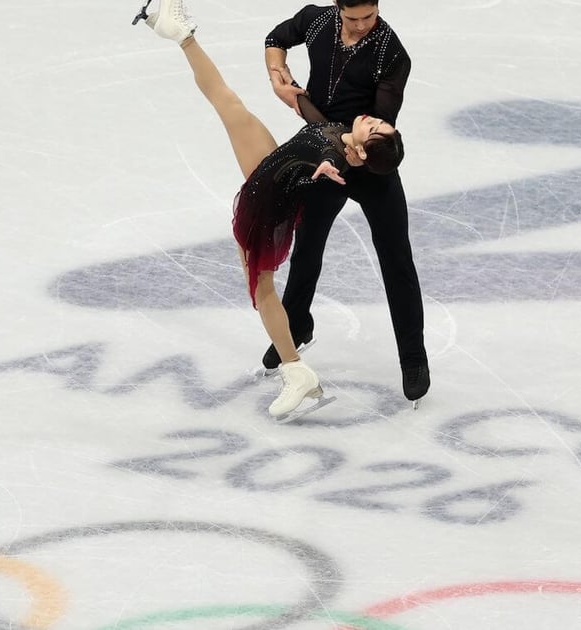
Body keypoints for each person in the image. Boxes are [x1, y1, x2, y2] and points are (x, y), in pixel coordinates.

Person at [131, 0, 405, 419]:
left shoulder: (338, 162)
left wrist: (322, 171)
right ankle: (180, 32)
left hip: (265, 204)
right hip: (265, 166)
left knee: (261, 291)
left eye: (375, 127)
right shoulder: (340, 130)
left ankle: (296, 371)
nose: (372, 118)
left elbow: (320, 171)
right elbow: (313, 116)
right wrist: (292, 93)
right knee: (227, 103)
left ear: (363, 152)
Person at [263, 0, 431, 406]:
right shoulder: (318, 19)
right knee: (307, 250)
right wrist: (276, 74)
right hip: (326, 160)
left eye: (368, 17)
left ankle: (413, 357)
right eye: (352, 18)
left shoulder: (391, 53)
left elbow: (379, 127)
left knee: (396, 260)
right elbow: (276, 38)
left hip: (369, 165)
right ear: (338, 8)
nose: (360, 26)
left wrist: (301, 106)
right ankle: (298, 324)